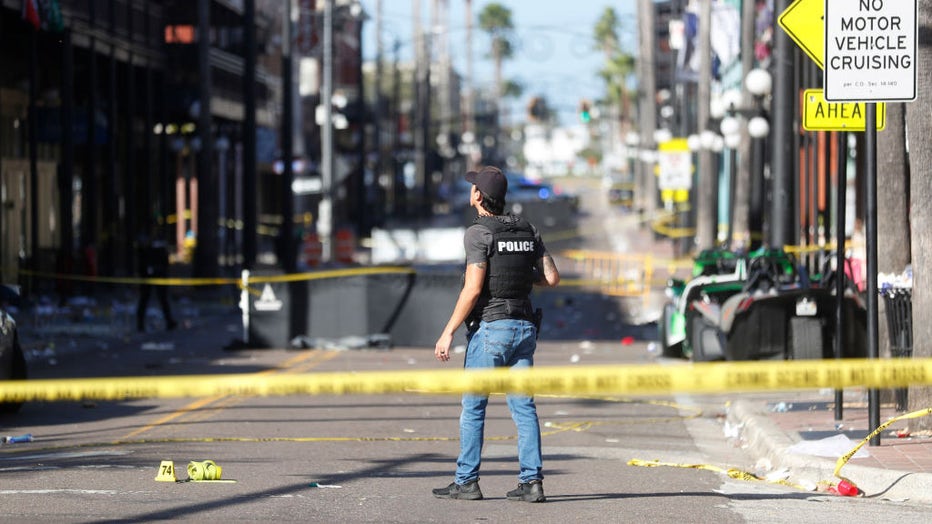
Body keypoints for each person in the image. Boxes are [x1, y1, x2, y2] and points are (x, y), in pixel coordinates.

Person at [432, 165, 560, 503]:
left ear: (477, 196)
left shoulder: (478, 233)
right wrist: (517, 273)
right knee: (524, 408)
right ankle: (532, 482)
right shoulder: (527, 229)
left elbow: (473, 290)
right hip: (524, 328)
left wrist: (447, 333)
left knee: (474, 407)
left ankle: (466, 481)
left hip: (491, 329)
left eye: (472, 187)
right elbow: (551, 277)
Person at [136, 231, 177, 332]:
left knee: (159, 299)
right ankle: (141, 323)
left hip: (157, 276)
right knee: (146, 299)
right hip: (151, 276)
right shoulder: (148, 249)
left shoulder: (155, 248)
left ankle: (168, 321)